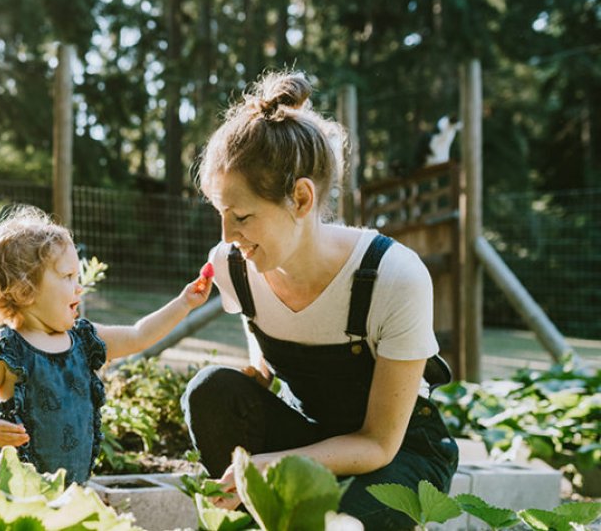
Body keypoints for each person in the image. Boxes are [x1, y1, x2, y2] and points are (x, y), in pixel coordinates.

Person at [180, 71, 459, 530]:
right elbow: (264, 340)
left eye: (242, 216)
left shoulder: (394, 276)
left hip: (393, 458)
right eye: (220, 215)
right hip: (309, 434)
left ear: (302, 198)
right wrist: (260, 374)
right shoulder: (233, 265)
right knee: (211, 390)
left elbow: (378, 444)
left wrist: (275, 466)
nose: (227, 236)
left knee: (331, 523)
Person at [0, 205, 213, 485]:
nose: (79, 288)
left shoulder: (83, 340)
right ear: (25, 290)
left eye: (78, 277)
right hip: (20, 487)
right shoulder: (5, 351)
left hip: (74, 486)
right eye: (68, 277)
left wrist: (184, 303)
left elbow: (139, 336)